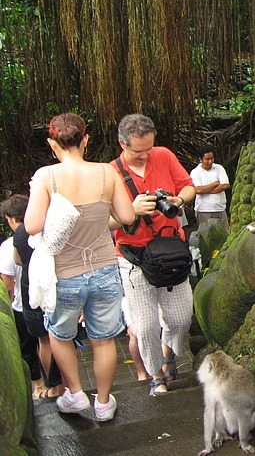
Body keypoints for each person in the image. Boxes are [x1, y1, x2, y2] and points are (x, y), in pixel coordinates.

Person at [24, 113, 136, 421]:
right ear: (86, 140)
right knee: (104, 339)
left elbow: (32, 225)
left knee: (60, 335)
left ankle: (75, 395)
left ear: (52, 143)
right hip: (104, 270)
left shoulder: (47, 176)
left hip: (64, 274)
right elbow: (127, 217)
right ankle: (102, 403)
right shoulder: (107, 172)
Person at [109, 114, 196, 396]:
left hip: (170, 252)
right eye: (137, 151)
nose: (145, 155)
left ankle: (168, 352)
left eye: (149, 149)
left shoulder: (164, 155)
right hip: (134, 258)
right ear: (122, 144)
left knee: (181, 318)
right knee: (145, 326)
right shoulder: (111, 173)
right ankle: (156, 375)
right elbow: (102, 223)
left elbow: (189, 186)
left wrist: (178, 200)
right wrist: (131, 211)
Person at [1, 195, 64, 399]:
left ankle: (51, 386)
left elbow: (13, 270)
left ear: (10, 218)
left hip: (29, 297)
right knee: (61, 339)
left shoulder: (15, 239)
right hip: (55, 290)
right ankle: (70, 385)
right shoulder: (50, 227)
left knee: (42, 343)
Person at [0, 215, 45, 399]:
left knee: (30, 349)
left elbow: (8, 284)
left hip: (22, 305)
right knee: (50, 342)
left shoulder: (8, 246)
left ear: (10, 219)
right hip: (46, 300)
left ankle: (39, 386)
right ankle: (58, 384)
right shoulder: (43, 235)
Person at [189, 145, 230, 233]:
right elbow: (198, 190)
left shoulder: (219, 168)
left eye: (212, 158)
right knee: (206, 237)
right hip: (204, 210)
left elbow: (225, 185)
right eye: (207, 159)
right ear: (200, 159)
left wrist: (206, 190)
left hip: (220, 209)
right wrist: (215, 183)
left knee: (225, 234)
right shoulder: (195, 172)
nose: (210, 161)